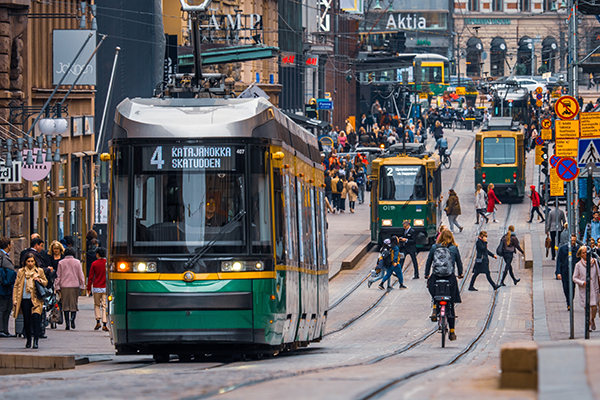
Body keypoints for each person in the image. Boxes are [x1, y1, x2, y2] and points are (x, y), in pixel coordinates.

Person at [425, 230, 464, 341]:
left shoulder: (434, 247)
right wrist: (460, 273)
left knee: (432, 289)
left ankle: (435, 307)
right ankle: (452, 332)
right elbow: (459, 263)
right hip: (449, 278)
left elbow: (428, 262)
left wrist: (426, 274)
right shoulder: (454, 249)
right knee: (450, 304)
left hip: (436, 277)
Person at [12, 253, 47, 349]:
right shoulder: (21, 272)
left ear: (35, 261)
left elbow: (45, 282)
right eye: (28, 261)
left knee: (36, 319)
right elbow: (16, 286)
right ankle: (28, 339)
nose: (30, 263)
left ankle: (36, 340)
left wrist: (39, 280)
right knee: (27, 321)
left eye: (32, 261)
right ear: (25, 262)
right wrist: (15, 299)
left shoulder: (39, 271)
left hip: (36, 300)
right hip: (24, 299)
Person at [55, 248, 85, 330]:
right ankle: (72, 319)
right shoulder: (77, 262)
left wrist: (57, 286)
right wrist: (82, 285)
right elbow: (80, 275)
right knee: (74, 304)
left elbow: (58, 276)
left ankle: (67, 323)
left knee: (65, 305)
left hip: (64, 286)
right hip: (74, 285)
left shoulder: (61, 262)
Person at [573, 246, 600, 331]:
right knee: (587, 307)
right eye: (583, 253)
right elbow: (574, 278)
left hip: (594, 287)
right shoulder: (578, 265)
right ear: (580, 254)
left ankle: (592, 319)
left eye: (586, 252)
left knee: (594, 306)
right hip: (585, 289)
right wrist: (582, 282)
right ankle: (588, 324)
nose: (585, 254)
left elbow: (599, 274)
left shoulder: (594, 262)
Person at [87, 247, 109, 331]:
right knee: (104, 305)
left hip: (97, 287)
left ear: (97, 254)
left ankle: (98, 321)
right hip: (105, 287)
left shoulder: (94, 264)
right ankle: (104, 323)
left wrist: (89, 287)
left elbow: (91, 276)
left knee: (97, 305)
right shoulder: (107, 263)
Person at [556, 234, 579, 310]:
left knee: (572, 288)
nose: (573, 242)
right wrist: (558, 272)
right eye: (572, 241)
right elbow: (559, 261)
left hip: (573, 272)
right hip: (565, 271)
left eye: (574, 241)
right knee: (565, 288)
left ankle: (570, 303)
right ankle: (568, 301)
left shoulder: (577, 250)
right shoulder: (563, 249)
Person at [0, 237, 16, 337]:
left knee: (7, 308)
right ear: (8, 245)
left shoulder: (5, 255)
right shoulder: (1, 255)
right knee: (2, 308)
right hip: (2, 287)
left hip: (7, 286)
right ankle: (1, 330)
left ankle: (5, 330)